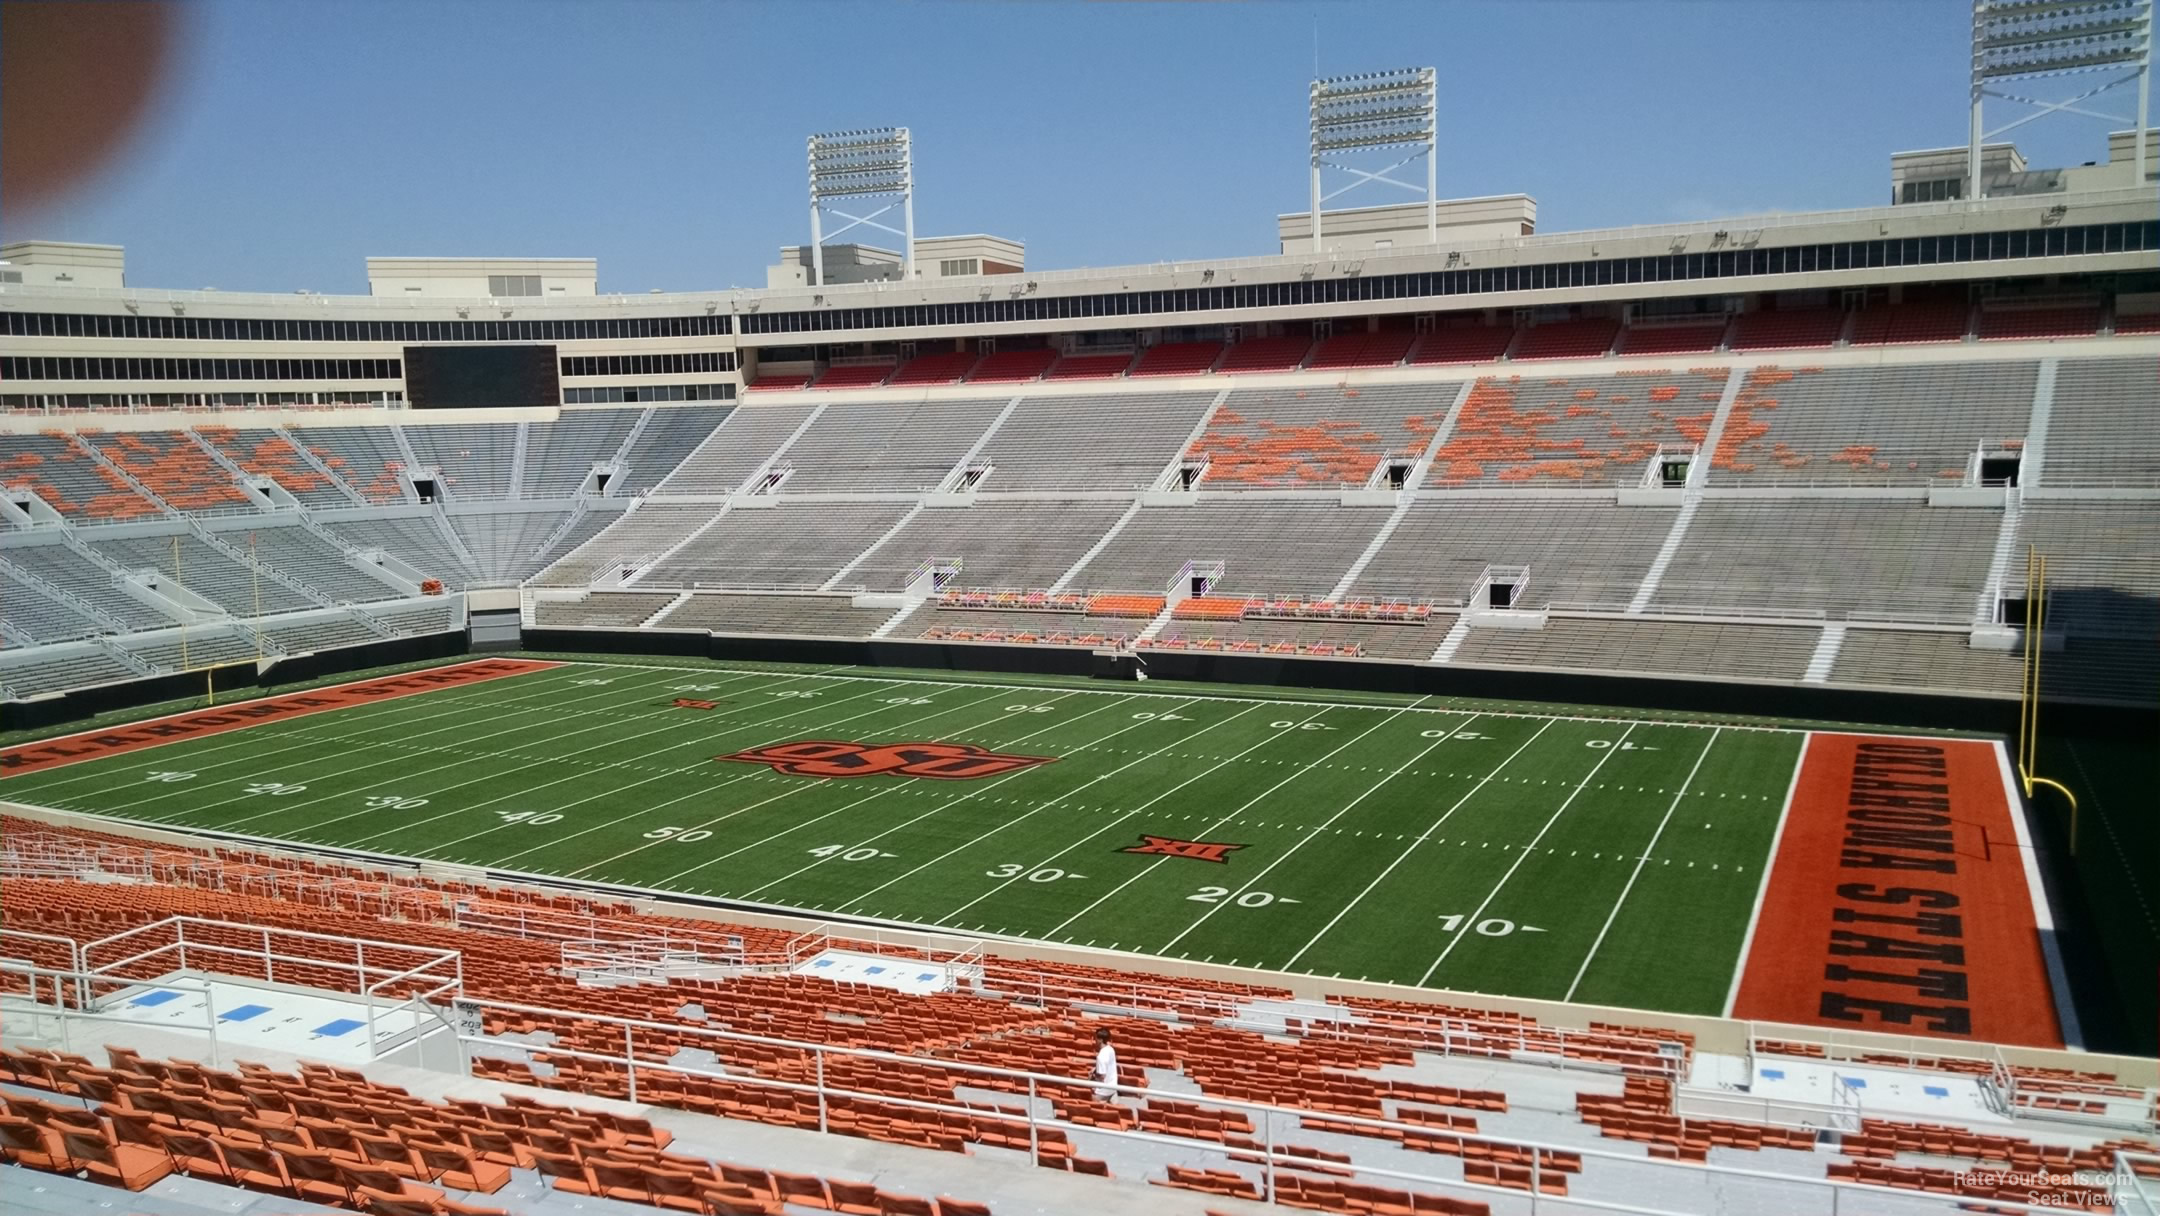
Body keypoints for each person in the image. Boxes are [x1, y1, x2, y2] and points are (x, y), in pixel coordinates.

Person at [1091, 1027, 1119, 1101]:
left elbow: (1101, 1077)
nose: (1094, 1040)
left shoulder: (1101, 1057)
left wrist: (1092, 1075)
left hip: (1103, 1092)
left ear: (1100, 1040)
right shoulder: (1111, 1049)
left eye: (1096, 1038)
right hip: (1113, 1087)